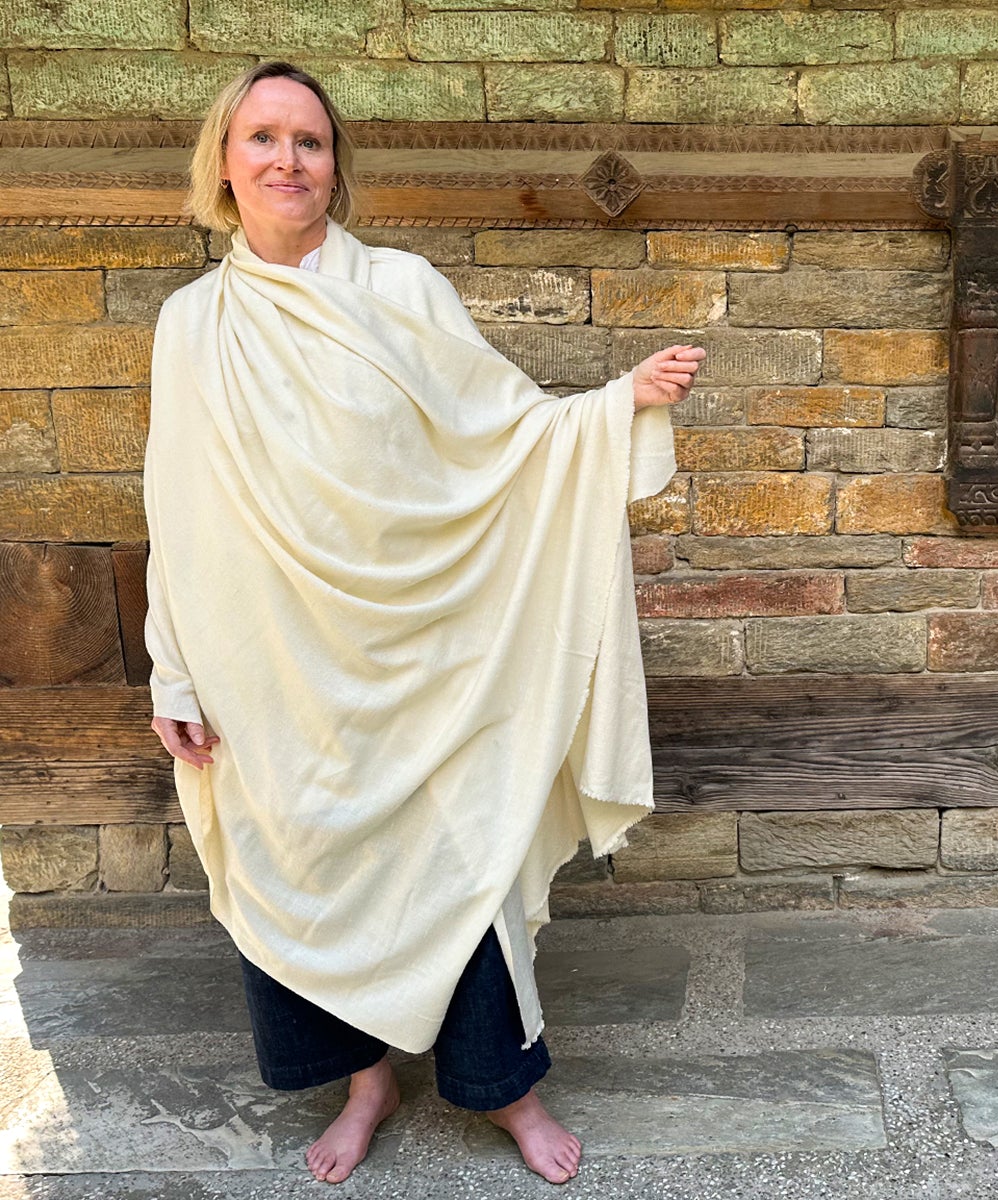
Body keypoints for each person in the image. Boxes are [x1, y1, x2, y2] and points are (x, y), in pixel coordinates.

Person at [143, 61, 705, 1186]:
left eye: (309, 141)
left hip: (422, 647)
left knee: (463, 858)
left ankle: (509, 1093)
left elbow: (499, 435)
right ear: (223, 160)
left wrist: (611, 409)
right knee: (301, 858)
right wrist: (174, 673)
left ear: (334, 165)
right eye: (263, 138)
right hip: (275, 663)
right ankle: (365, 1085)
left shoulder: (401, 290)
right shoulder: (191, 325)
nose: (286, 161)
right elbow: (175, 501)